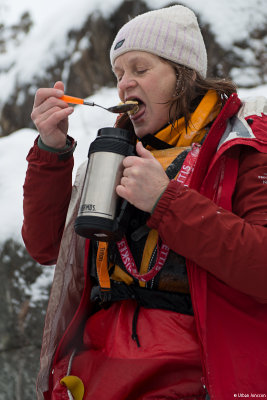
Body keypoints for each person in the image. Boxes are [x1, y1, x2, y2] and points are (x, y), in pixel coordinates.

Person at [22, 5, 267, 400]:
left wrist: (166, 202)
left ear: (184, 74)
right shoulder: (113, 156)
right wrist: (52, 152)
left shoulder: (245, 145)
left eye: (140, 68)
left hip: (198, 377)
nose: (124, 84)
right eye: (119, 74)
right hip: (93, 378)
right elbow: (46, 248)